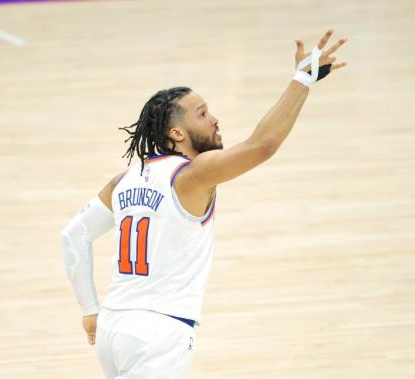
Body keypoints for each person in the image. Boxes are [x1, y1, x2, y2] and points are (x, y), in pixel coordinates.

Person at [60, 29, 347, 379]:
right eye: (201, 114)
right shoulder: (192, 174)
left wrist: (90, 309)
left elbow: (73, 236)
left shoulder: (122, 181)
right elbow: (264, 145)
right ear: (177, 134)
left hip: (113, 328)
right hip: (159, 333)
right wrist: (303, 78)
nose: (214, 119)